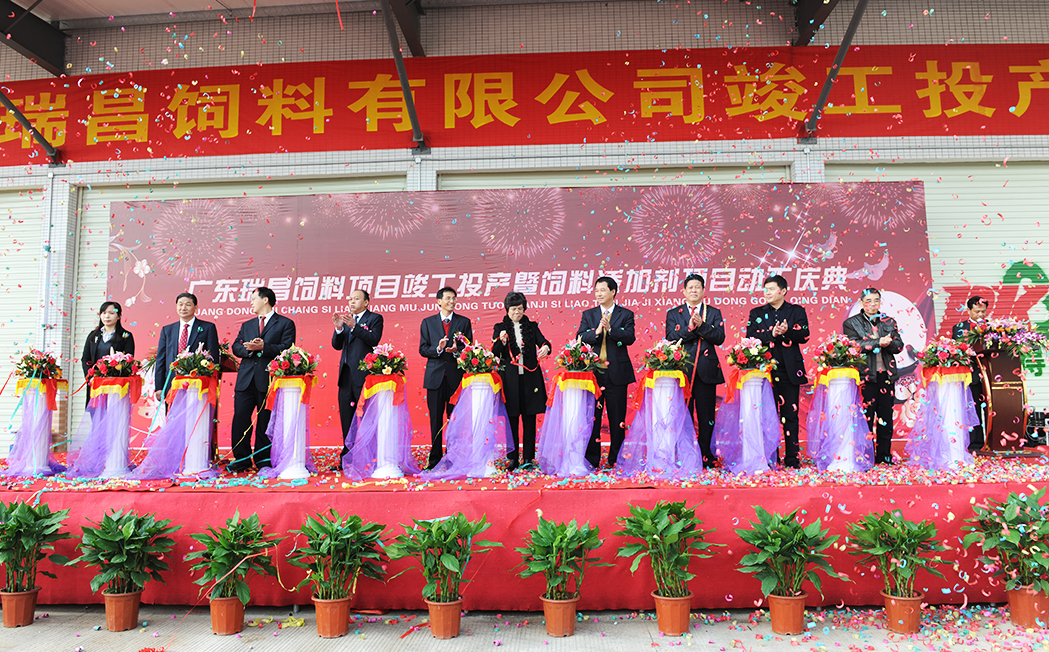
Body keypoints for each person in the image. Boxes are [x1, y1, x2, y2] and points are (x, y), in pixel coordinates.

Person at [745, 274, 810, 468]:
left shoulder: (796, 311)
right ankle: (771, 458)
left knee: (790, 415)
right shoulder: (756, 313)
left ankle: (792, 458)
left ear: (783, 291)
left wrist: (787, 331)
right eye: (765, 289)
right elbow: (750, 338)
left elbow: (804, 334)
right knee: (767, 416)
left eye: (771, 289)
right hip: (764, 372)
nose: (767, 293)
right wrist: (771, 334)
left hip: (789, 371)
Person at [229, 287, 296, 473]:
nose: (251, 302)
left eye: (253, 299)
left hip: (268, 379)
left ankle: (263, 459)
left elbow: (287, 348)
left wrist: (264, 347)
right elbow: (235, 346)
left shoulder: (285, 323)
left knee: (265, 421)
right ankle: (241, 459)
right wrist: (248, 349)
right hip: (245, 380)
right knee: (240, 418)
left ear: (265, 299)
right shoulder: (247, 325)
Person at [665, 273, 726, 467]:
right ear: (684, 291)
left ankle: (706, 454)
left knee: (706, 416)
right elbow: (671, 337)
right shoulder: (673, 313)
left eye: (697, 287)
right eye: (690, 287)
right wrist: (690, 328)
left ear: (703, 290)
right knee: (682, 415)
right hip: (682, 371)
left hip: (706, 372)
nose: (694, 290)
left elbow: (719, 337)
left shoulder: (714, 312)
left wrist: (702, 326)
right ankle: (684, 455)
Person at [577, 275, 636, 468]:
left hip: (617, 374)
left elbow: (630, 337)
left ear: (613, 292)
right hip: (594, 374)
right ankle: (592, 459)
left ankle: (616, 458)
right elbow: (580, 337)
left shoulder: (625, 314)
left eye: (602, 290)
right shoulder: (589, 314)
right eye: (596, 290)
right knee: (592, 418)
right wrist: (595, 332)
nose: (599, 294)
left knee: (617, 419)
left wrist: (611, 329)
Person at [842, 288, 905, 465]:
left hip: (886, 375)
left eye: (876, 300)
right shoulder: (851, 323)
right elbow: (853, 345)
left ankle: (884, 455)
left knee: (886, 416)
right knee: (866, 418)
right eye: (868, 301)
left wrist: (889, 343)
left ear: (880, 302)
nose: (872, 304)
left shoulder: (889, 321)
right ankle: (866, 455)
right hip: (865, 376)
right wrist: (878, 342)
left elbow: (899, 346)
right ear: (861, 302)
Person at [491, 292, 551, 471]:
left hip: (530, 379)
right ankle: (512, 458)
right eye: (513, 309)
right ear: (507, 310)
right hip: (510, 381)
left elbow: (544, 342)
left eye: (520, 308)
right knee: (512, 419)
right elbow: (495, 353)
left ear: (524, 309)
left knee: (529, 419)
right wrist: (501, 341)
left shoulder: (532, 326)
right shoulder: (499, 327)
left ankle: (528, 458)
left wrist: (546, 348)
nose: (517, 312)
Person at [419, 286, 473, 469]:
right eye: (448, 298)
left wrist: (458, 351)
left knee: (454, 420)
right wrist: (438, 348)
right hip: (434, 378)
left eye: (454, 298)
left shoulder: (464, 322)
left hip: (455, 379)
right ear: (439, 301)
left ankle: (453, 458)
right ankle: (434, 459)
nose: (452, 301)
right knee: (435, 419)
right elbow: (422, 349)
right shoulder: (428, 322)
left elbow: (469, 348)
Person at [332, 288, 383, 466]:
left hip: (364, 377)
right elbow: (337, 345)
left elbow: (374, 339)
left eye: (356, 299)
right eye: (350, 299)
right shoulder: (346, 320)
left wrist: (355, 326)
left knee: (367, 418)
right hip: (346, 376)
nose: (352, 302)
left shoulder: (375, 318)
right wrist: (339, 328)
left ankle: (369, 456)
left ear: (366, 302)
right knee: (347, 418)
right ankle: (347, 457)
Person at [154, 292, 220, 400]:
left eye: (188, 304)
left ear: (196, 308)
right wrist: (159, 387)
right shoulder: (167, 330)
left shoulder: (208, 328)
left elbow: (213, 358)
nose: (183, 308)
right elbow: (161, 359)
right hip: (172, 384)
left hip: (198, 385)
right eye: (180, 304)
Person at [952, 295, 988, 452]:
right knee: (974, 409)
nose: (980, 315)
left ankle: (993, 441)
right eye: (977, 311)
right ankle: (976, 443)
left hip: (991, 375)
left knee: (992, 410)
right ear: (968, 310)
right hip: (972, 375)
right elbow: (957, 349)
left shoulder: (993, 327)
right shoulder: (959, 328)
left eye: (983, 311)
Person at [82, 301, 135, 405]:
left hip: (115, 386)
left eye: (111, 313)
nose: (107, 316)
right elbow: (85, 358)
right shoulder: (93, 336)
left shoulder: (126, 336)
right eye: (104, 313)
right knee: (95, 412)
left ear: (118, 316)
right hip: (96, 384)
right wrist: (90, 377)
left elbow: (129, 360)